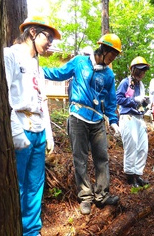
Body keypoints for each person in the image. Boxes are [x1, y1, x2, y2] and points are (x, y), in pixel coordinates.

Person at [43, 33, 122, 214]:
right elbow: (59, 73)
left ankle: (102, 194)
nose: (113, 60)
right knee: (80, 158)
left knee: (102, 157)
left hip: (97, 120)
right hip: (78, 116)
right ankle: (85, 196)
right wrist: (39, 71)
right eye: (112, 55)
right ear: (103, 50)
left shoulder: (109, 74)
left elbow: (110, 101)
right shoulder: (80, 62)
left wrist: (114, 121)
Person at [4, 16, 59, 235]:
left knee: (36, 184)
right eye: (49, 37)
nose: (50, 44)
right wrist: (14, 129)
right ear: (33, 33)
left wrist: (49, 132)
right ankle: (13, 228)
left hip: (38, 130)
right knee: (18, 184)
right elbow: (3, 92)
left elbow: (42, 100)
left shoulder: (38, 65)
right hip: (20, 127)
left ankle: (32, 231)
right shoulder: (10, 55)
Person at [116, 56, 150, 187]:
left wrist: (145, 103)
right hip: (128, 116)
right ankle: (130, 177)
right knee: (132, 146)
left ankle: (138, 175)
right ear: (134, 70)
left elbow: (141, 103)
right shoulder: (125, 82)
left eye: (144, 71)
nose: (142, 73)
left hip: (139, 117)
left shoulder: (141, 85)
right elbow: (118, 98)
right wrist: (134, 100)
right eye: (140, 70)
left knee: (143, 147)